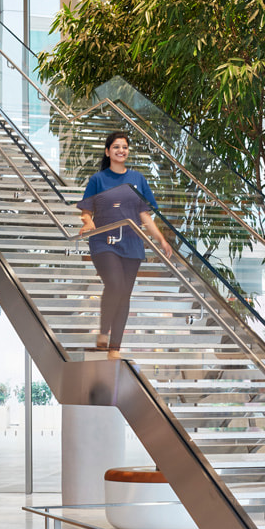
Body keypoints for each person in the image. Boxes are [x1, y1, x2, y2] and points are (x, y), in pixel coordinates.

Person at [77, 131, 172, 360]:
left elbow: (144, 214)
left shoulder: (138, 179)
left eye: (125, 147)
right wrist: (88, 223)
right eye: (117, 147)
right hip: (104, 241)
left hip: (131, 242)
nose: (121, 150)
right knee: (116, 285)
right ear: (108, 151)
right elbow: (86, 211)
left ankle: (114, 348)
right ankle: (103, 331)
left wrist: (161, 239)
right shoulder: (98, 180)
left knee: (125, 295)